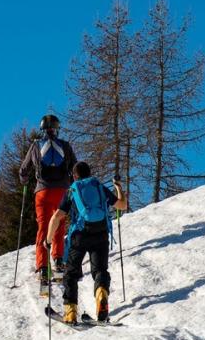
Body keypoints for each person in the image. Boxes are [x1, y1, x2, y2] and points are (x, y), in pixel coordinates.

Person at [45, 161, 127, 324]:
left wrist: (48, 240)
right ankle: (101, 296)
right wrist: (118, 186)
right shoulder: (98, 186)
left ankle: (70, 312)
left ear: (74, 176)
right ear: (89, 173)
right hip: (101, 233)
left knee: (71, 273)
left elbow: (57, 217)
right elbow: (122, 205)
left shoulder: (72, 190)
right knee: (100, 270)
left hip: (80, 236)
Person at [19, 114, 77, 286]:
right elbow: (75, 168)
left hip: (42, 192)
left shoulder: (36, 145)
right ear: (57, 129)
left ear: (42, 129)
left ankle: (43, 267)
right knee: (58, 225)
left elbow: (24, 169)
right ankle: (58, 260)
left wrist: (24, 181)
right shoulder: (65, 146)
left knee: (43, 228)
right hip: (62, 191)